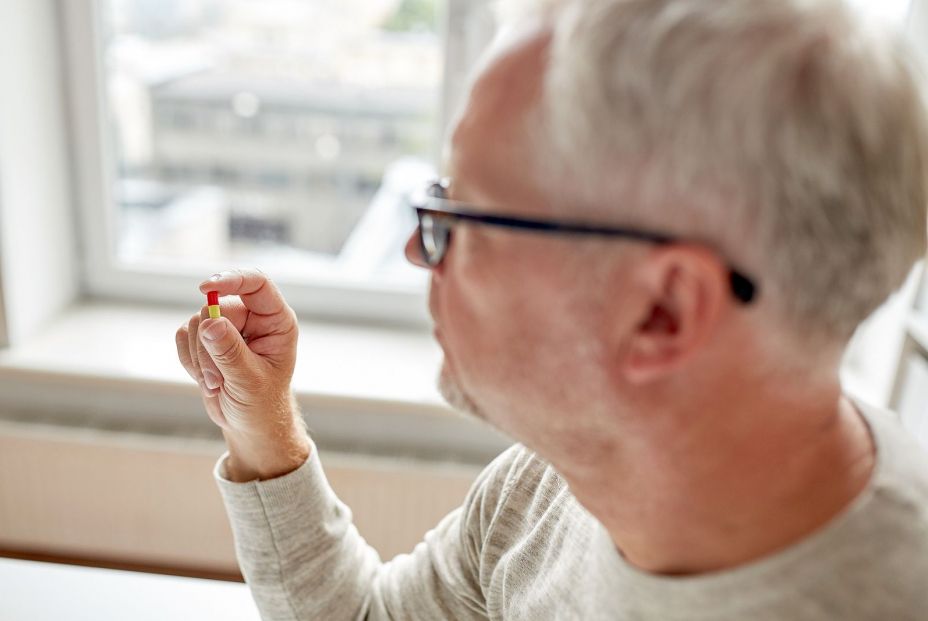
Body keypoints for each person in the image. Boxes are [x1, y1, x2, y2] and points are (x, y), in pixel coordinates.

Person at [174, 0, 928, 618]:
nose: (417, 250)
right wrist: (261, 424)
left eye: (464, 214)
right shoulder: (550, 490)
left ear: (661, 312)